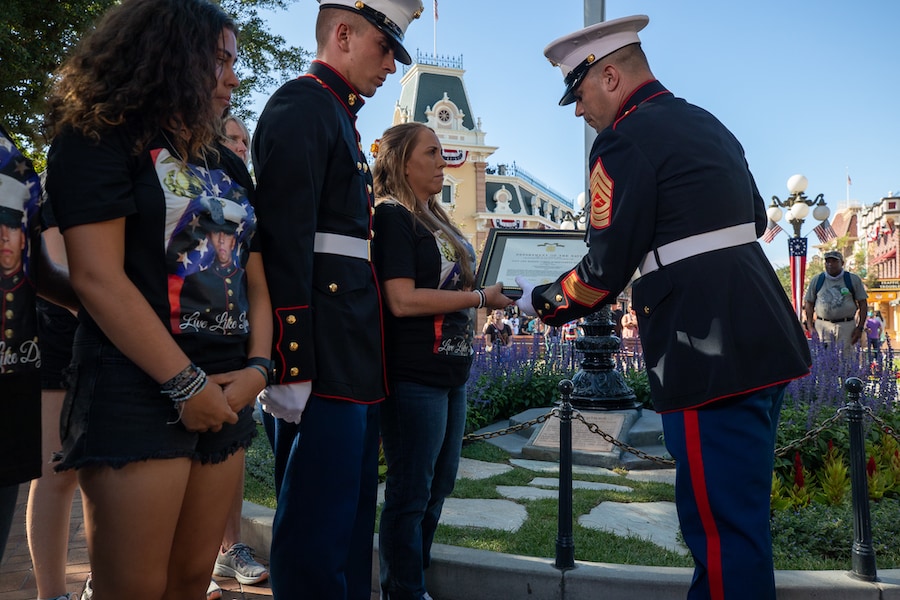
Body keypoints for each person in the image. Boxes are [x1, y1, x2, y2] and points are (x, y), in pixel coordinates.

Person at [515, 15, 810, 600]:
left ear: (610, 77)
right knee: (740, 522)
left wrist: (539, 302)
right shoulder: (708, 123)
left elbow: (600, 274)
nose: (578, 111)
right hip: (763, 343)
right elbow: (753, 218)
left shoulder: (622, 142)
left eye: (579, 94)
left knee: (721, 532)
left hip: (705, 355)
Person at [44, 2, 273, 599]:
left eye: (234, 62)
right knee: (135, 588)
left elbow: (256, 278)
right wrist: (185, 385)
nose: (233, 77)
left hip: (229, 391)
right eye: (220, 61)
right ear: (170, 57)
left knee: (191, 582)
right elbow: (96, 277)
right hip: (137, 390)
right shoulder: (98, 136)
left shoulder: (227, 163)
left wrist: (258, 368)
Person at [251, 1, 424, 597]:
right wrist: (289, 361)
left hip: (349, 352)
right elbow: (282, 241)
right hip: (320, 356)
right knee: (314, 530)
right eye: (385, 49)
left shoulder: (336, 116)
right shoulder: (302, 106)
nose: (389, 66)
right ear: (343, 34)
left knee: (348, 520)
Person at [371, 122, 512, 600]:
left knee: (438, 486)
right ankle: (403, 590)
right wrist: (477, 298)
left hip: (452, 371)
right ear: (401, 162)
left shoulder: (433, 216)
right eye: (431, 153)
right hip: (415, 373)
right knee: (411, 493)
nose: (443, 162)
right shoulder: (392, 216)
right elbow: (401, 300)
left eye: (444, 154)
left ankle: (414, 581)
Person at [0, 124, 75, 567]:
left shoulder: (11, 152)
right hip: (55, 347)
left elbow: (38, 268)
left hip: (13, 367)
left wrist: (119, 317)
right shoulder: (68, 166)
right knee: (55, 470)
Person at [207, 115, 269, 595]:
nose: (242, 147)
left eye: (246, 141)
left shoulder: (246, 196)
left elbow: (256, 281)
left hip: (237, 347)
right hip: (184, 353)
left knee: (232, 457)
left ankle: (228, 549)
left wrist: (259, 362)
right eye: (233, 138)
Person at [26, 202, 81, 600]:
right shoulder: (73, 161)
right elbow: (58, 267)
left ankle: (109, 576)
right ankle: (52, 594)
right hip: (62, 331)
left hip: (117, 328)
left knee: (114, 467)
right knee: (55, 469)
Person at [803, 250, 868, 352]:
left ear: (842, 263)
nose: (830, 264)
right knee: (823, 360)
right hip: (823, 326)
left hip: (846, 326)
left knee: (846, 361)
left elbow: (863, 304)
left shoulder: (852, 279)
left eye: (834, 261)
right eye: (827, 261)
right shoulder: (817, 280)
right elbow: (809, 303)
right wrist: (810, 326)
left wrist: (860, 328)